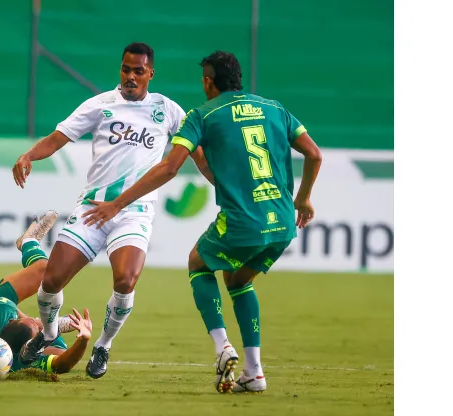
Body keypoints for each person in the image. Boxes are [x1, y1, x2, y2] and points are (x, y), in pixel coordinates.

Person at [81, 51, 323, 393]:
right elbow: (314, 154)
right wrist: (303, 198)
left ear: (208, 82)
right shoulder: (275, 108)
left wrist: (118, 203)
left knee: (198, 263)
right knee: (239, 281)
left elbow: (169, 168)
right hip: (283, 221)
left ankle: (223, 346)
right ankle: (254, 373)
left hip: (244, 219)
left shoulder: (202, 115)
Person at [12, 42, 213, 379]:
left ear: (150, 73)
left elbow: (198, 155)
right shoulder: (100, 104)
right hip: (93, 208)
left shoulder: (168, 110)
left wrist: (221, 183)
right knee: (52, 280)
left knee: (126, 279)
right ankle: (47, 335)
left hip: (134, 212)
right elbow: (59, 137)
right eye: (125, 69)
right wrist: (29, 155)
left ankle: (103, 345)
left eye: (138, 71)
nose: (130, 76)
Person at [0, 211, 93, 375]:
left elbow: (26, 320)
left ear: (12, 319)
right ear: (26, 349)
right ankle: (28, 242)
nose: (35, 323)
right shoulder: (16, 360)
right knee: (59, 351)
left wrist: (52, 325)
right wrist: (83, 339)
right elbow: (63, 364)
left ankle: (27, 241)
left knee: (45, 272)